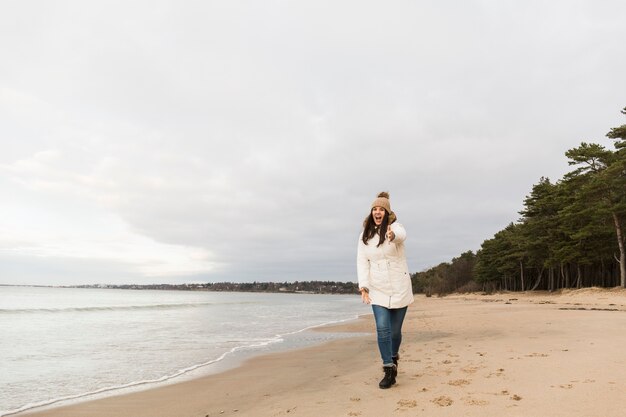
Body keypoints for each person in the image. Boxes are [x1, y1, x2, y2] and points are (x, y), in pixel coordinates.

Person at [357, 191, 414, 389]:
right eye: (375, 209)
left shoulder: (395, 227)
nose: (377, 212)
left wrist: (392, 234)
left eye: (381, 209)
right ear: (371, 212)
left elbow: (401, 235)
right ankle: (388, 369)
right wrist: (364, 286)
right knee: (383, 329)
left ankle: (394, 355)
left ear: (387, 212)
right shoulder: (365, 235)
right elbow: (362, 262)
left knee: (395, 333)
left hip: (399, 287)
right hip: (377, 289)